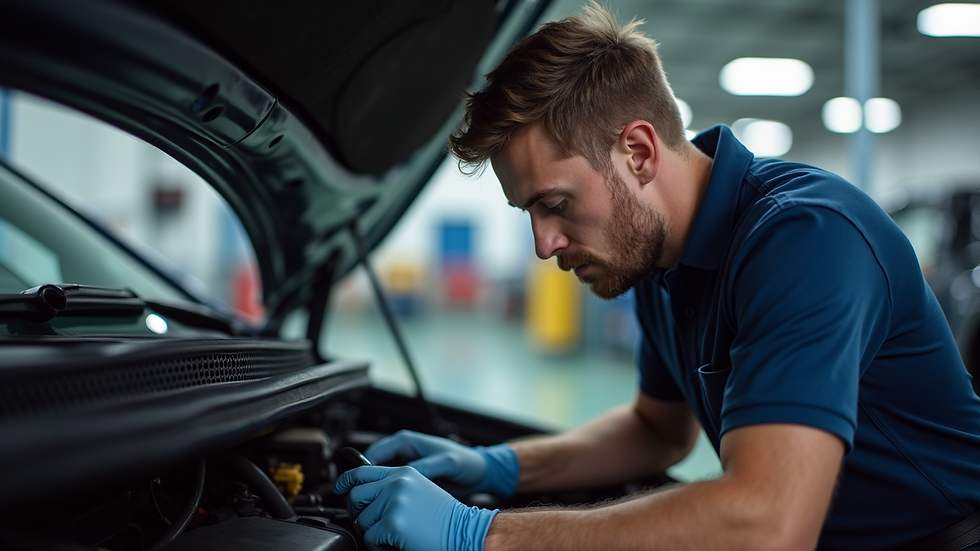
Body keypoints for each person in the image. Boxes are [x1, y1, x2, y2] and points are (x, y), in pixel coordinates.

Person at [334, 4, 980, 550]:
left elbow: (767, 522)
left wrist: (480, 533)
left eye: (554, 204)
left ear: (637, 152)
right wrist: (498, 464)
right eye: (528, 211)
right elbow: (656, 430)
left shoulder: (805, 239)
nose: (542, 243)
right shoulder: (653, 259)